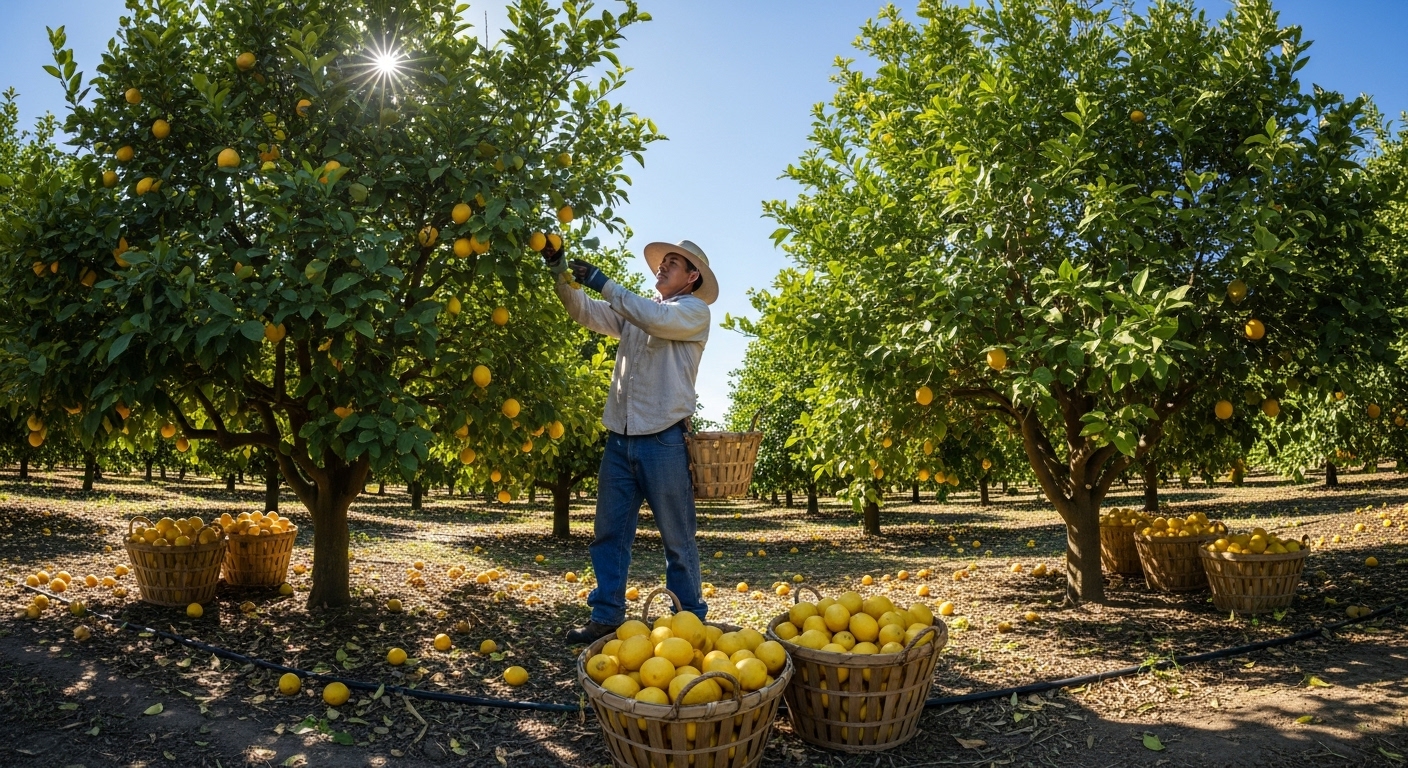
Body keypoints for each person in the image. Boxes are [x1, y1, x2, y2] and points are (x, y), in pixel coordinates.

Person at [542, 239, 718, 644]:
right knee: (609, 533)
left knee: (677, 538)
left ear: (692, 276)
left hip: (664, 439)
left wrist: (603, 281)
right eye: (662, 262)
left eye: (673, 263)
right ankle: (606, 616)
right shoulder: (639, 311)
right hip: (620, 441)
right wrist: (560, 270)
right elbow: (584, 311)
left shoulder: (693, 312)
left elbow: (655, 318)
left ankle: (689, 620)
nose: (663, 267)